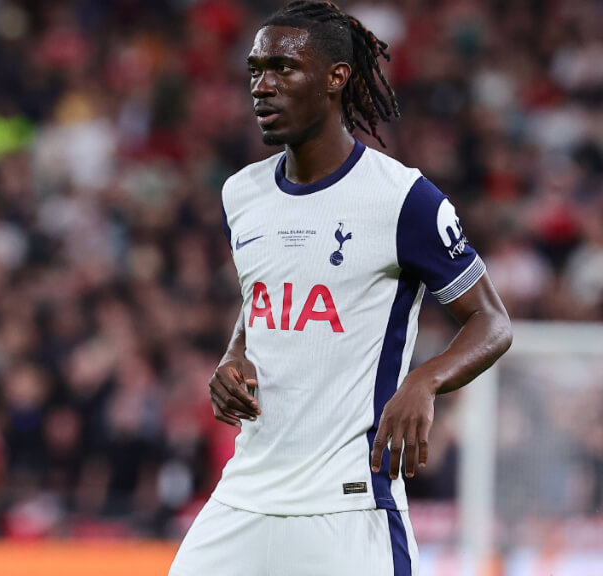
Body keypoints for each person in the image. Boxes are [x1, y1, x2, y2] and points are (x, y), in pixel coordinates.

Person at [168, 2, 512, 575]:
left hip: (349, 506)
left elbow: (492, 322)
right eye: (255, 70)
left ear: (336, 77)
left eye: (283, 68)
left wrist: (425, 381)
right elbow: (265, 295)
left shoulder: (403, 199)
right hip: (242, 497)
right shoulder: (241, 194)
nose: (262, 86)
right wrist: (234, 355)